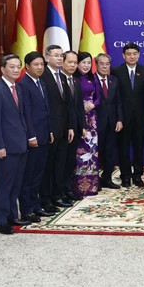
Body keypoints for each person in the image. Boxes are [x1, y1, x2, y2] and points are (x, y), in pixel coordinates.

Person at [0, 54, 30, 235]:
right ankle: (1, 220)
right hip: (6, 146)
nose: (15, 70)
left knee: (16, 183)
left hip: (20, 144)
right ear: (3, 69)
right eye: (11, 66)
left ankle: (13, 215)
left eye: (17, 67)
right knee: (4, 185)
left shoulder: (18, 88)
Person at [17, 51, 53, 223]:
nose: (40, 67)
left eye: (41, 64)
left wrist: (50, 131)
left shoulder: (41, 82)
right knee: (29, 176)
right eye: (36, 64)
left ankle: (36, 205)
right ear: (27, 67)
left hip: (44, 135)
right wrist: (31, 136)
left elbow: (46, 110)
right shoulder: (23, 85)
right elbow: (26, 114)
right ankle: (27, 209)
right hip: (33, 138)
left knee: (39, 174)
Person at [112, 42, 144, 188]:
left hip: (141, 116)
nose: (132, 56)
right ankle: (125, 176)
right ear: (123, 56)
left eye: (135, 54)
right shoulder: (116, 71)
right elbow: (115, 97)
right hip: (123, 117)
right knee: (123, 147)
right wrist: (118, 117)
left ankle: (137, 176)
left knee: (139, 147)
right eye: (129, 54)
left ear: (139, 55)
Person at [40, 44, 75, 210]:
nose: (60, 58)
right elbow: (43, 107)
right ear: (47, 57)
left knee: (60, 165)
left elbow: (67, 104)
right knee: (48, 166)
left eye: (61, 55)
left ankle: (57, 195)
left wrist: (70, 126)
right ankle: (46, 199)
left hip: (63, 130)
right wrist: (49, 129)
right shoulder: (43, 76)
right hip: (50, 131)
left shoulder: (62, 76)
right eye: (56, 55)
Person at [72, 52, 101, 196]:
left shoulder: (93, 78)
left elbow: (99, 97)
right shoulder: (73, 78)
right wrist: (81, 104)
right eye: (83, 62)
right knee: (79, 153)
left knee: (92, 152)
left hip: (92, 121)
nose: (86, 65)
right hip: (78, 118)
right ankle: (78, 186)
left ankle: (92, 186)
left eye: (89, 63)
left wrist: (92, 104)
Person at [94, 53, 123, 189]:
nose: (105, 67)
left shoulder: (114, 80)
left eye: (107, 64)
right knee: (94, 153)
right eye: (102, 64)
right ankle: (94, 180)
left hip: (112, 122)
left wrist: (119, 120)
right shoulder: (90, 80)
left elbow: (118, 102)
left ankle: (107, 178)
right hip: (95, 123)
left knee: (110, 152)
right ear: (96, 64)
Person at [63, 51, 86, 201]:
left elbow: (79, 107)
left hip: (76, 128)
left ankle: (69, 189)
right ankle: (63, 190)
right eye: (69, 62)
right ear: (62, 62)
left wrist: (82, 126)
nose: (72, 65)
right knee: (62, 162)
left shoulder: (76, 81)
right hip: (64, 129)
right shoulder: (59, 81)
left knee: (71, 161)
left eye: (75, 63)